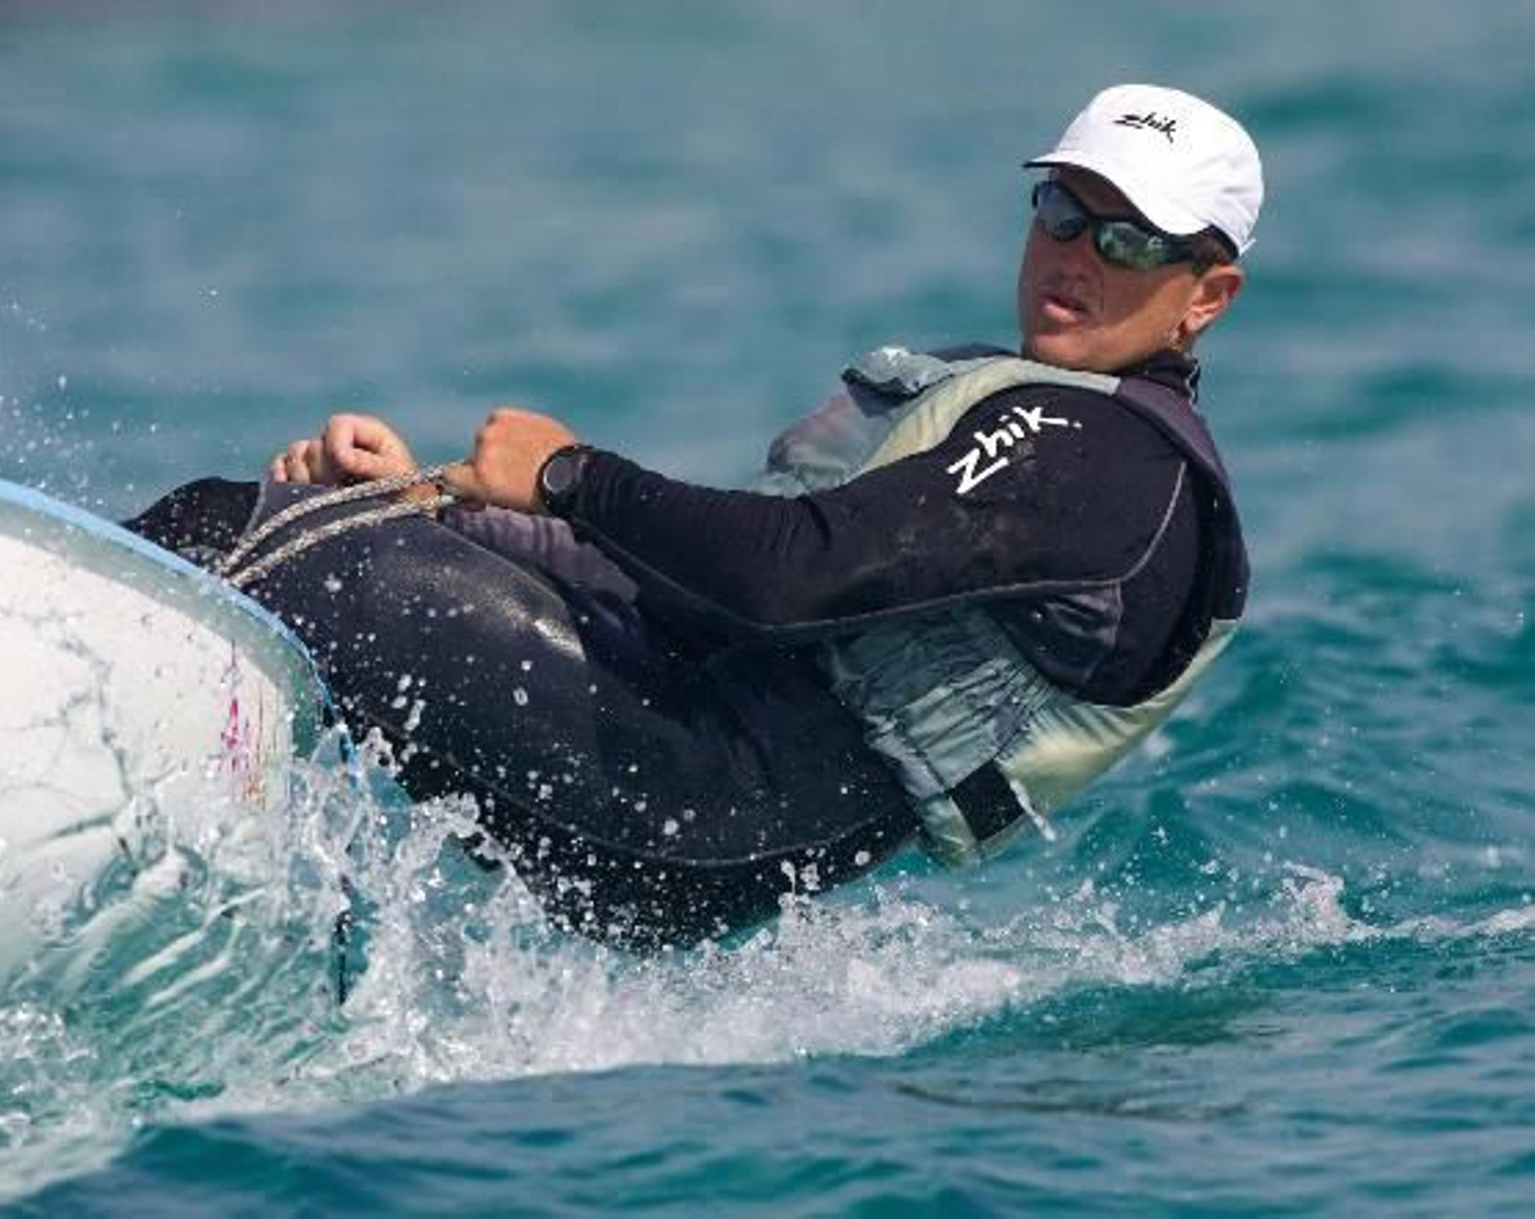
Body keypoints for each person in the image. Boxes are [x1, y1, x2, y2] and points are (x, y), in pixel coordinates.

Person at [128, 83, 1261, 947]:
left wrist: (569, 474)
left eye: (1130, 241)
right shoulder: (1032, 410)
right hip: (683, 750)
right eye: (1063, 212)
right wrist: (434, 502)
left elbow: (788, 577)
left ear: (1207, 296)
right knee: (289, 519)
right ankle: (190, 873)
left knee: (303, 559)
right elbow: (700, 587)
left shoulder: (1107, 457)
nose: (1078, 257)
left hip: (706, 801)